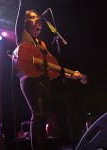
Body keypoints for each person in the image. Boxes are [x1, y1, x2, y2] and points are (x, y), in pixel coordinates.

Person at [13, 0, 82, 150]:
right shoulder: (22, 34)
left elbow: (54, 65)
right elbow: (20, 14)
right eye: (33, 18)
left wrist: (71, 74)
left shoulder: (42, 44)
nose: (37, 22)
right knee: (38, 115)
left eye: (39, 21)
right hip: (29, 79)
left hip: (44, 81)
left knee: (44, 116)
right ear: (25, 22)